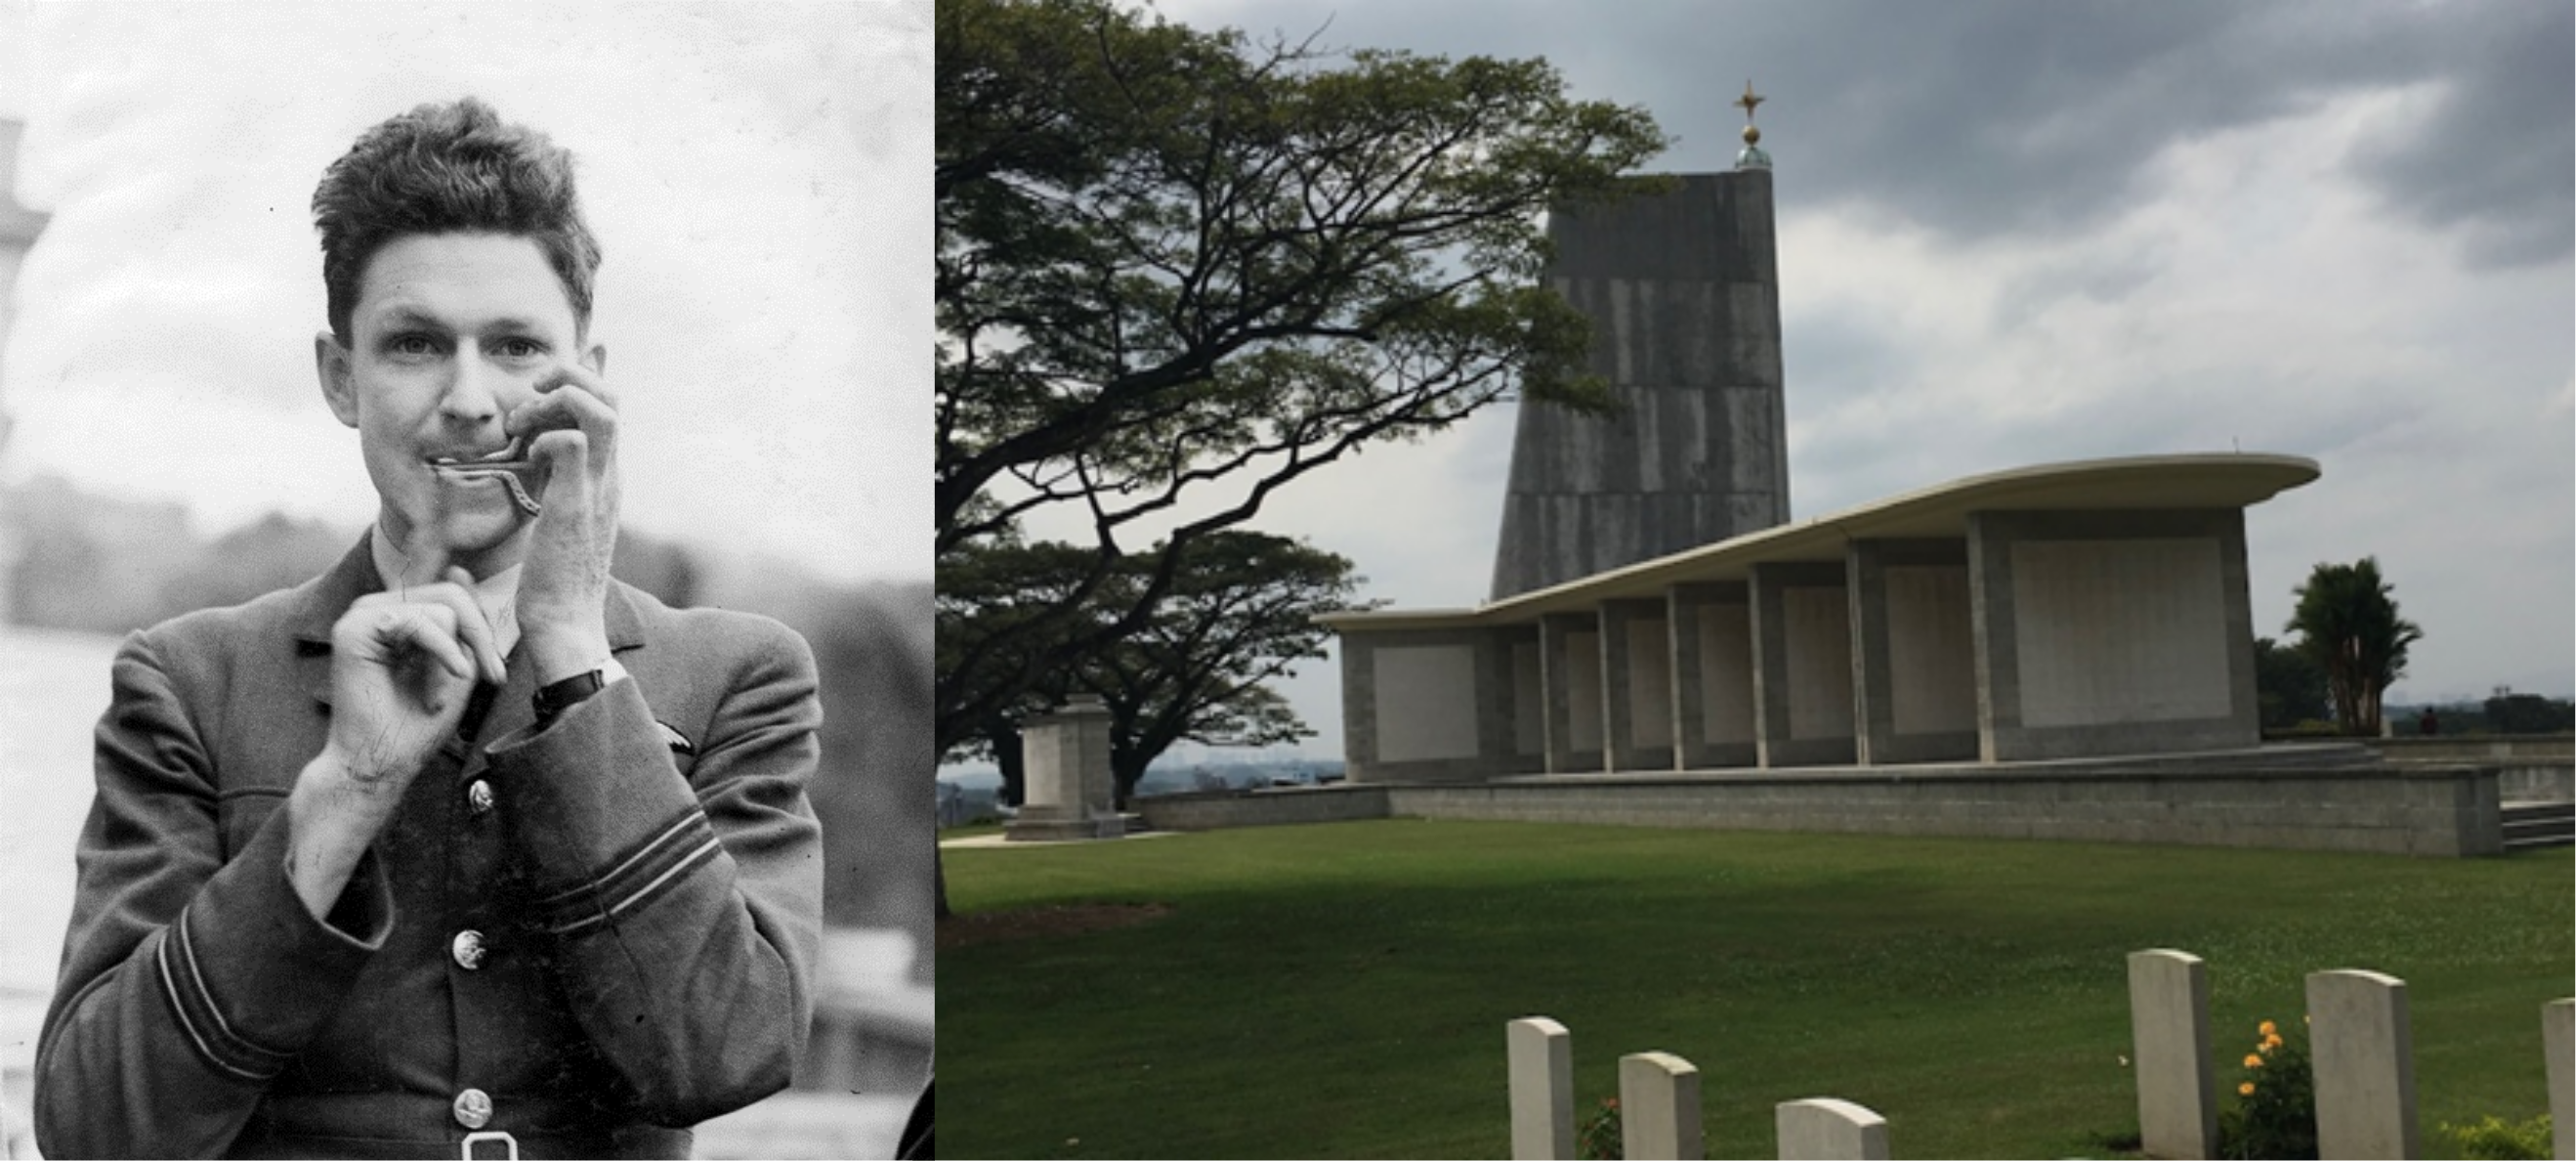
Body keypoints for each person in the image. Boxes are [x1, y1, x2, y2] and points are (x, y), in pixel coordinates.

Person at [33, 97, 823, 1160]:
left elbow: (724, 1054)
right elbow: (96, 1132)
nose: (469, 399)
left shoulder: (736, 674)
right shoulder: (189, 680)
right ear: (339, 377)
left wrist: (574, 654)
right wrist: (344, 789)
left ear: (586, 372)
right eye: (413, 344)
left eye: (515, 347)